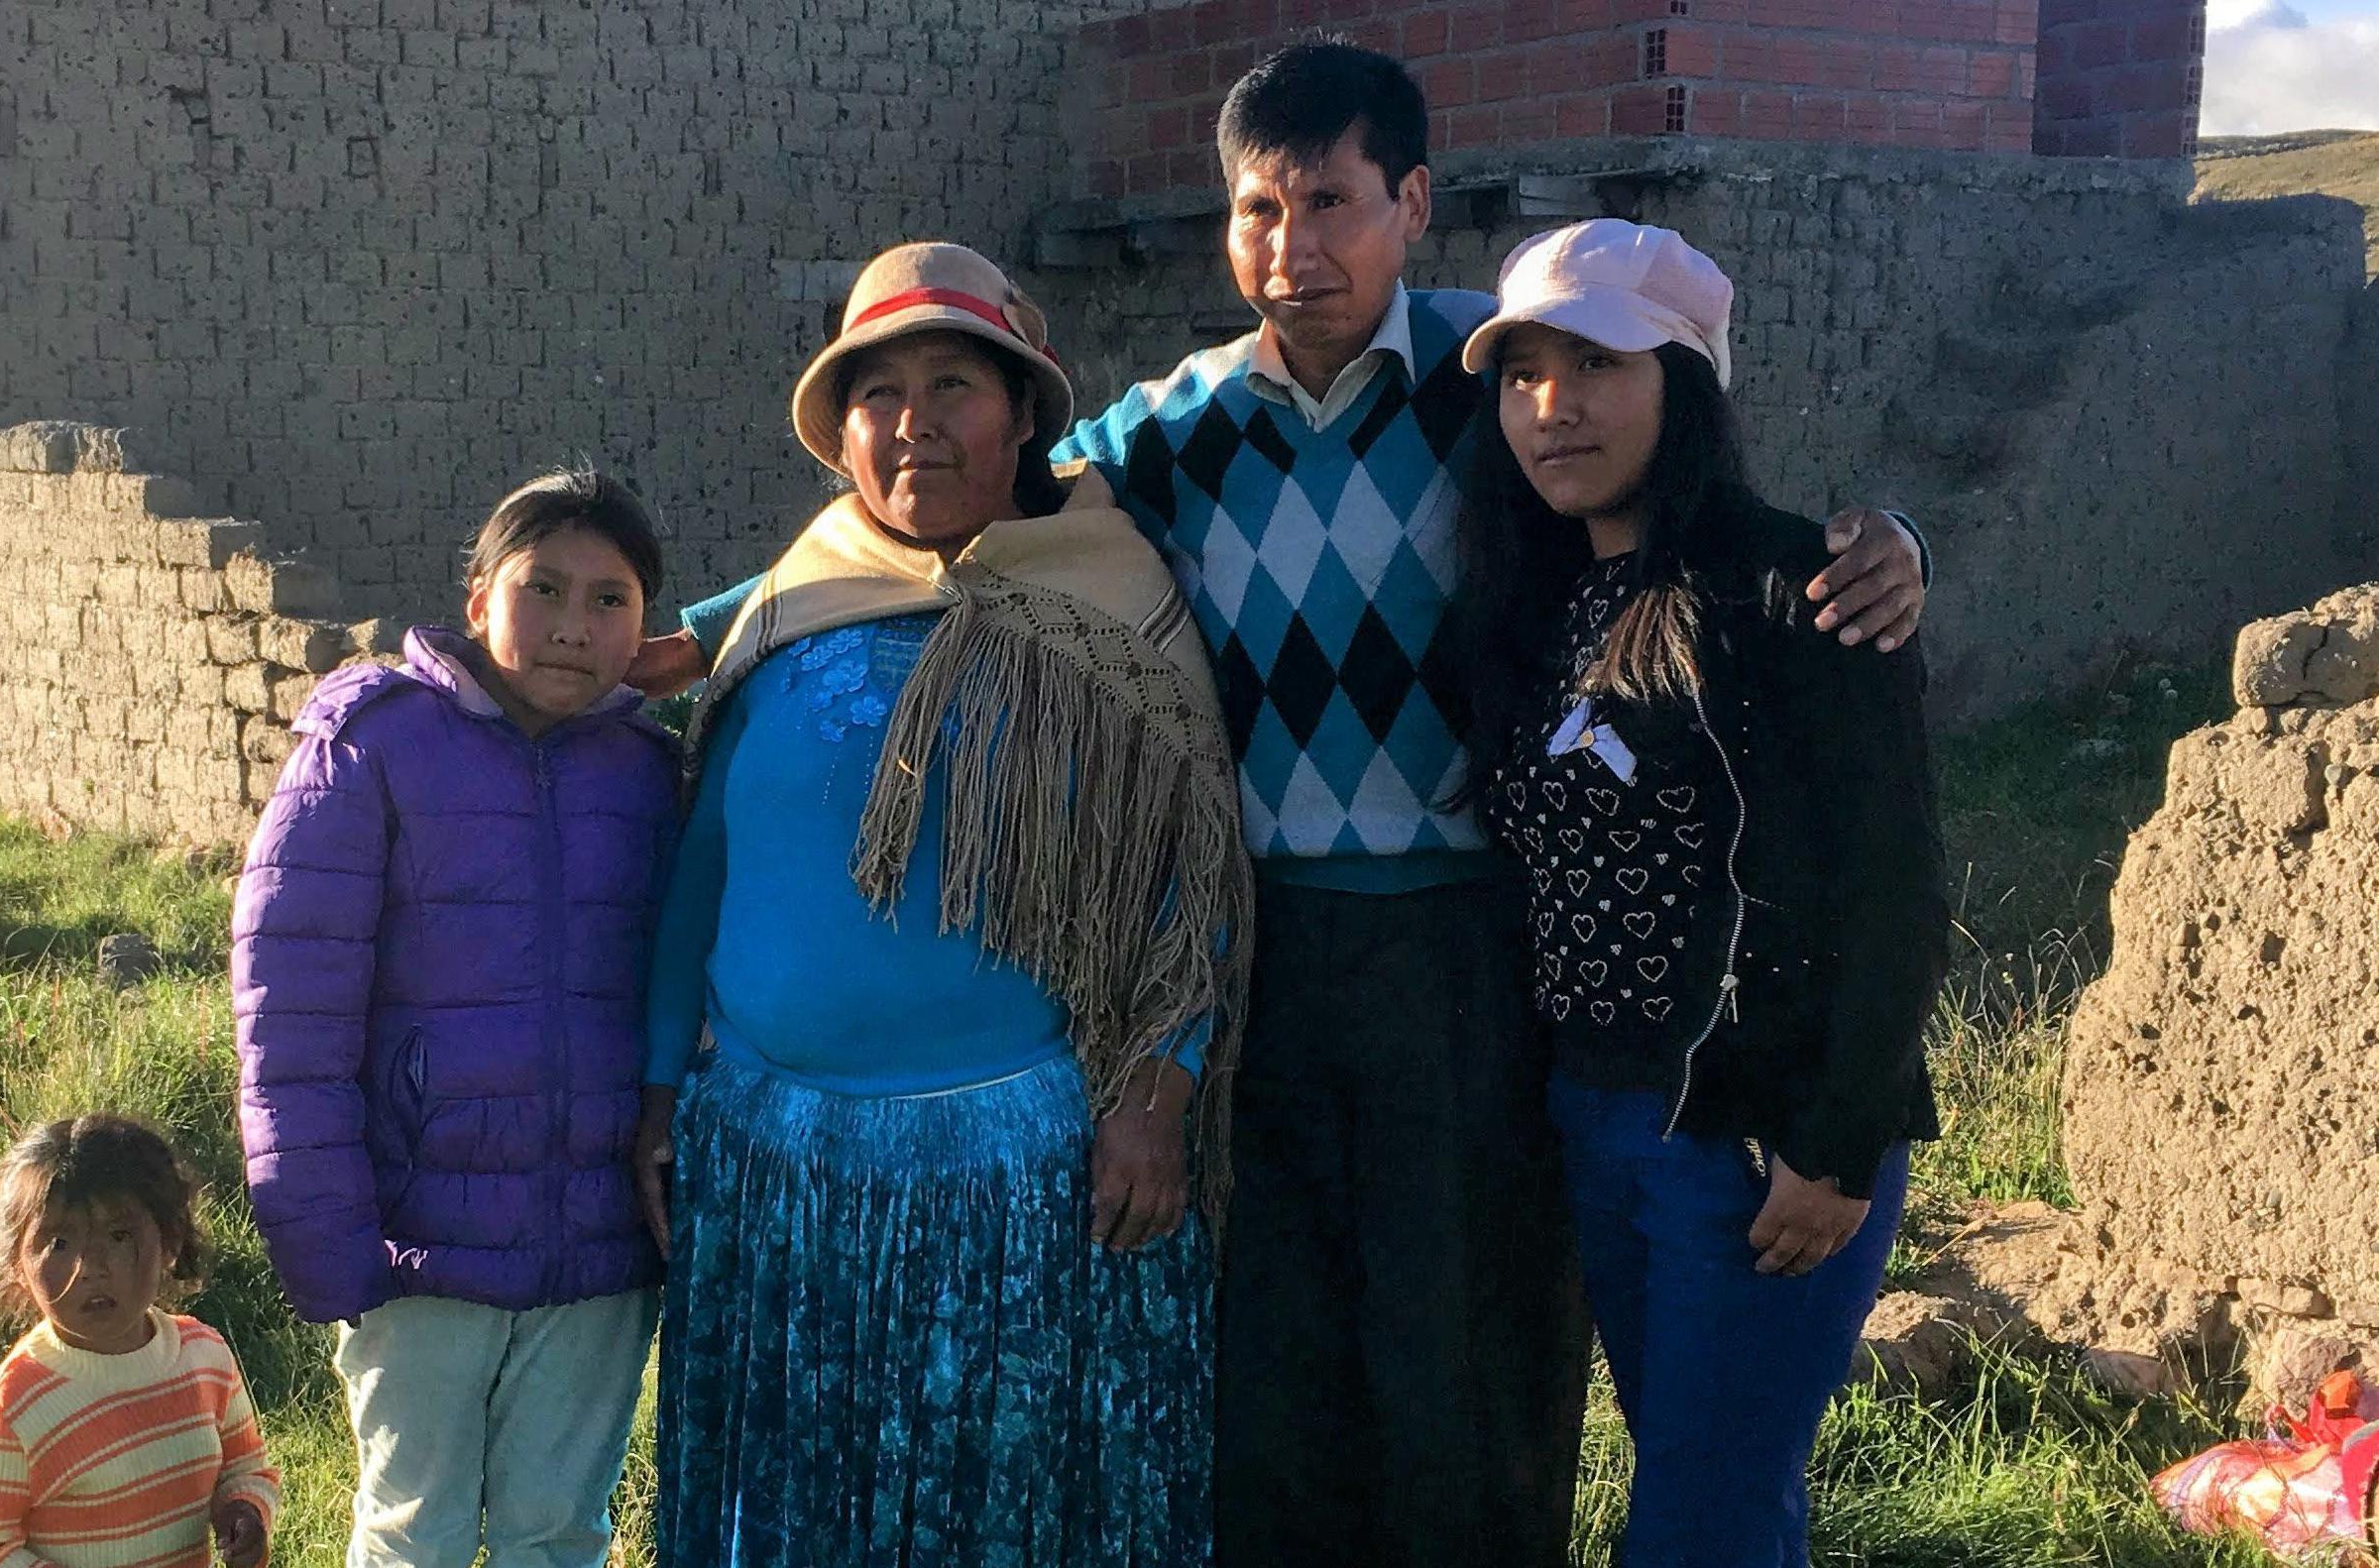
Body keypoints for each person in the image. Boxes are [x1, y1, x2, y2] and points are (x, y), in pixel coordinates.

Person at [627, 44, 1930, 1565]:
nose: (1294, 247)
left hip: (1471, 947)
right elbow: (941, 504)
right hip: (1272, 939)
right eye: (1260, 208)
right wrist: (710, 625)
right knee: (1280, 1340)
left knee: (1468, 1341)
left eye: (1332, 203)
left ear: (1412, 204)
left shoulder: (1497, 379)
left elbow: (1690, 497)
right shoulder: (1173, 428)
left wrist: (1887, 543)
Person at [637, 240, 1248, 1568]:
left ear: (1025, 412)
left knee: (1002, 1510)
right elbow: (704, 866)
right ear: (841, 431)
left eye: (953, 383)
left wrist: (1161, 1093)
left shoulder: (1114, 602)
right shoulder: (794, 602)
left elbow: (1191, 877)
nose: (913, 419)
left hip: (1026, 1180)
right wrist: (658, 1090)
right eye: (879, 391)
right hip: (775, 1169)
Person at [1457, 219, 1949, 1566]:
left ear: (1683, 382)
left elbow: (1896, 887)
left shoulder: (1802, 592)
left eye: (1597, 364)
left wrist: (1836, 1139)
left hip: (1752, 1136)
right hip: (1599, 1120)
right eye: (1522, 372)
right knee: (1715, 1493)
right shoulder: (1541, 600)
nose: (1552, 405)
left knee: (1696, 1523)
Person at [229, 468, 678, 1568]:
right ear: (478, 599)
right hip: (418, 1244)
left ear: (646, 628)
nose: (572, 627)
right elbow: (291, 1014)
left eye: (609, 600)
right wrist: (327, 1236)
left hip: (599, 1246)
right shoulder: (371, 747)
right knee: (413, 1533)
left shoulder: (653, 773)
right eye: (543, 589)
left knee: (558, 1533)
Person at [0, 1114, 279, 1568]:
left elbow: (245, 1467)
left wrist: (245, 1511)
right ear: (17, 1265)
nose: (90, 1266)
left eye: (119, 1236)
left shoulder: (204, 1358)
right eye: (59, 1243)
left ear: (169, 1242)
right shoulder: (17, 1404)